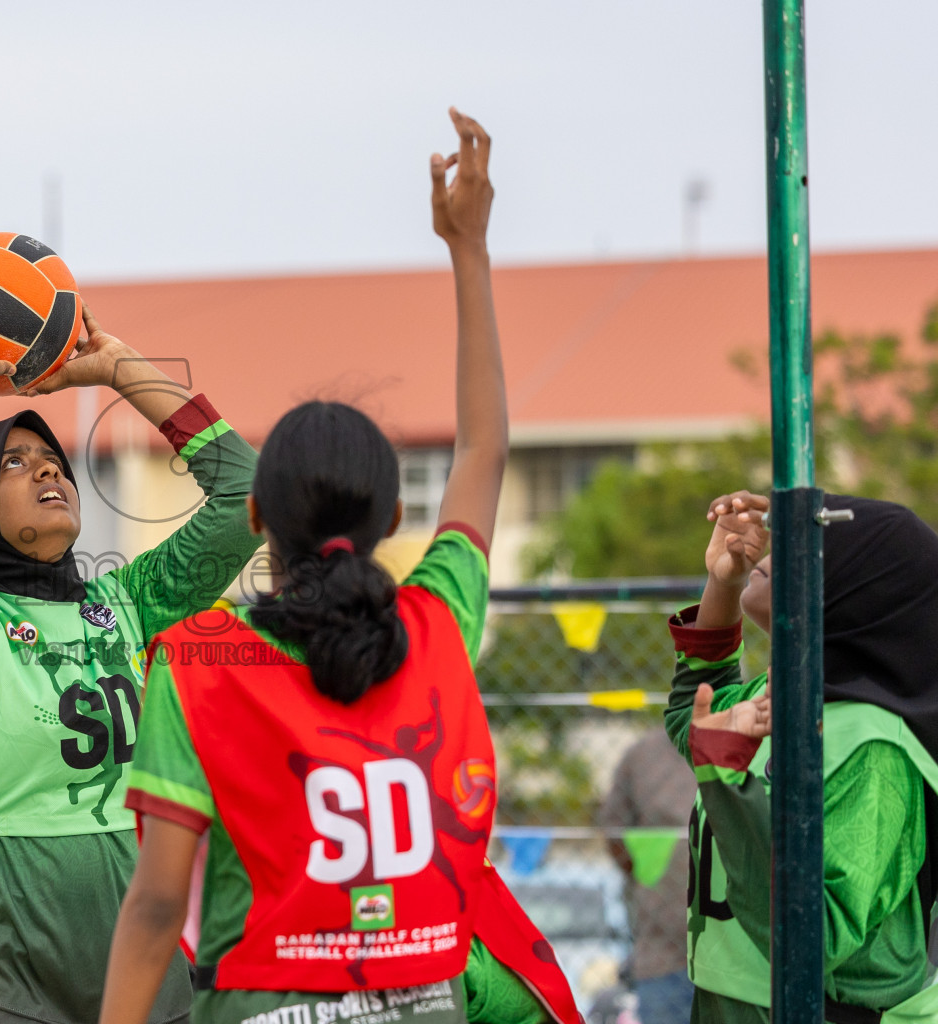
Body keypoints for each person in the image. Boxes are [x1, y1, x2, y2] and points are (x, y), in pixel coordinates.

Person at [98, 109, 581, 1024]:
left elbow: (160, 900)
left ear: (253, 516)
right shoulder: (437, 625)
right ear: (395, 517)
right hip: (426, 999)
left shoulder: (200, 658)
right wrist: (468, 249)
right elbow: (484, 451)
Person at [0, 250, 264, 1022]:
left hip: (137, 966)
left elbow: (246, 498)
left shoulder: (125, 602)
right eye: (16, 463)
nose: (48, 471)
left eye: (54, 459)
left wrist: (122, 369)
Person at [666, 490, 938, 1024]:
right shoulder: (784, 694)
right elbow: (688, 717)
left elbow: (815, 937)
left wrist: (727, 778)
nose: (767, 554)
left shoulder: (874, 747)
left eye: (804, 547)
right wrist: (724, 583)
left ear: (856, 592)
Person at [597, 727, 695, 1024]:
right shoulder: (643, 755)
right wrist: (651, 872)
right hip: (665, 954)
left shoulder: (765, 742)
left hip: (746, 960)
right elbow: (615, 834)